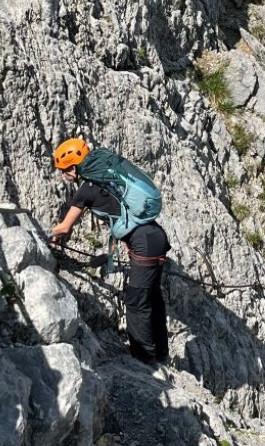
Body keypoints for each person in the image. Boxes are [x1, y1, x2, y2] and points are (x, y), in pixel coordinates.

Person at [50, 138, 170, 365]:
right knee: (152, 296)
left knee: (136, 301)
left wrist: (46, 235)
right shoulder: (105, 179)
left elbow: (65, 227)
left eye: (64, 171)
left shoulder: (86, 189)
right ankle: (160, 354)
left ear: (74, 167)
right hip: (155, 236)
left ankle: (144, 360)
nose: (64, 175)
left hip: (143, 243)